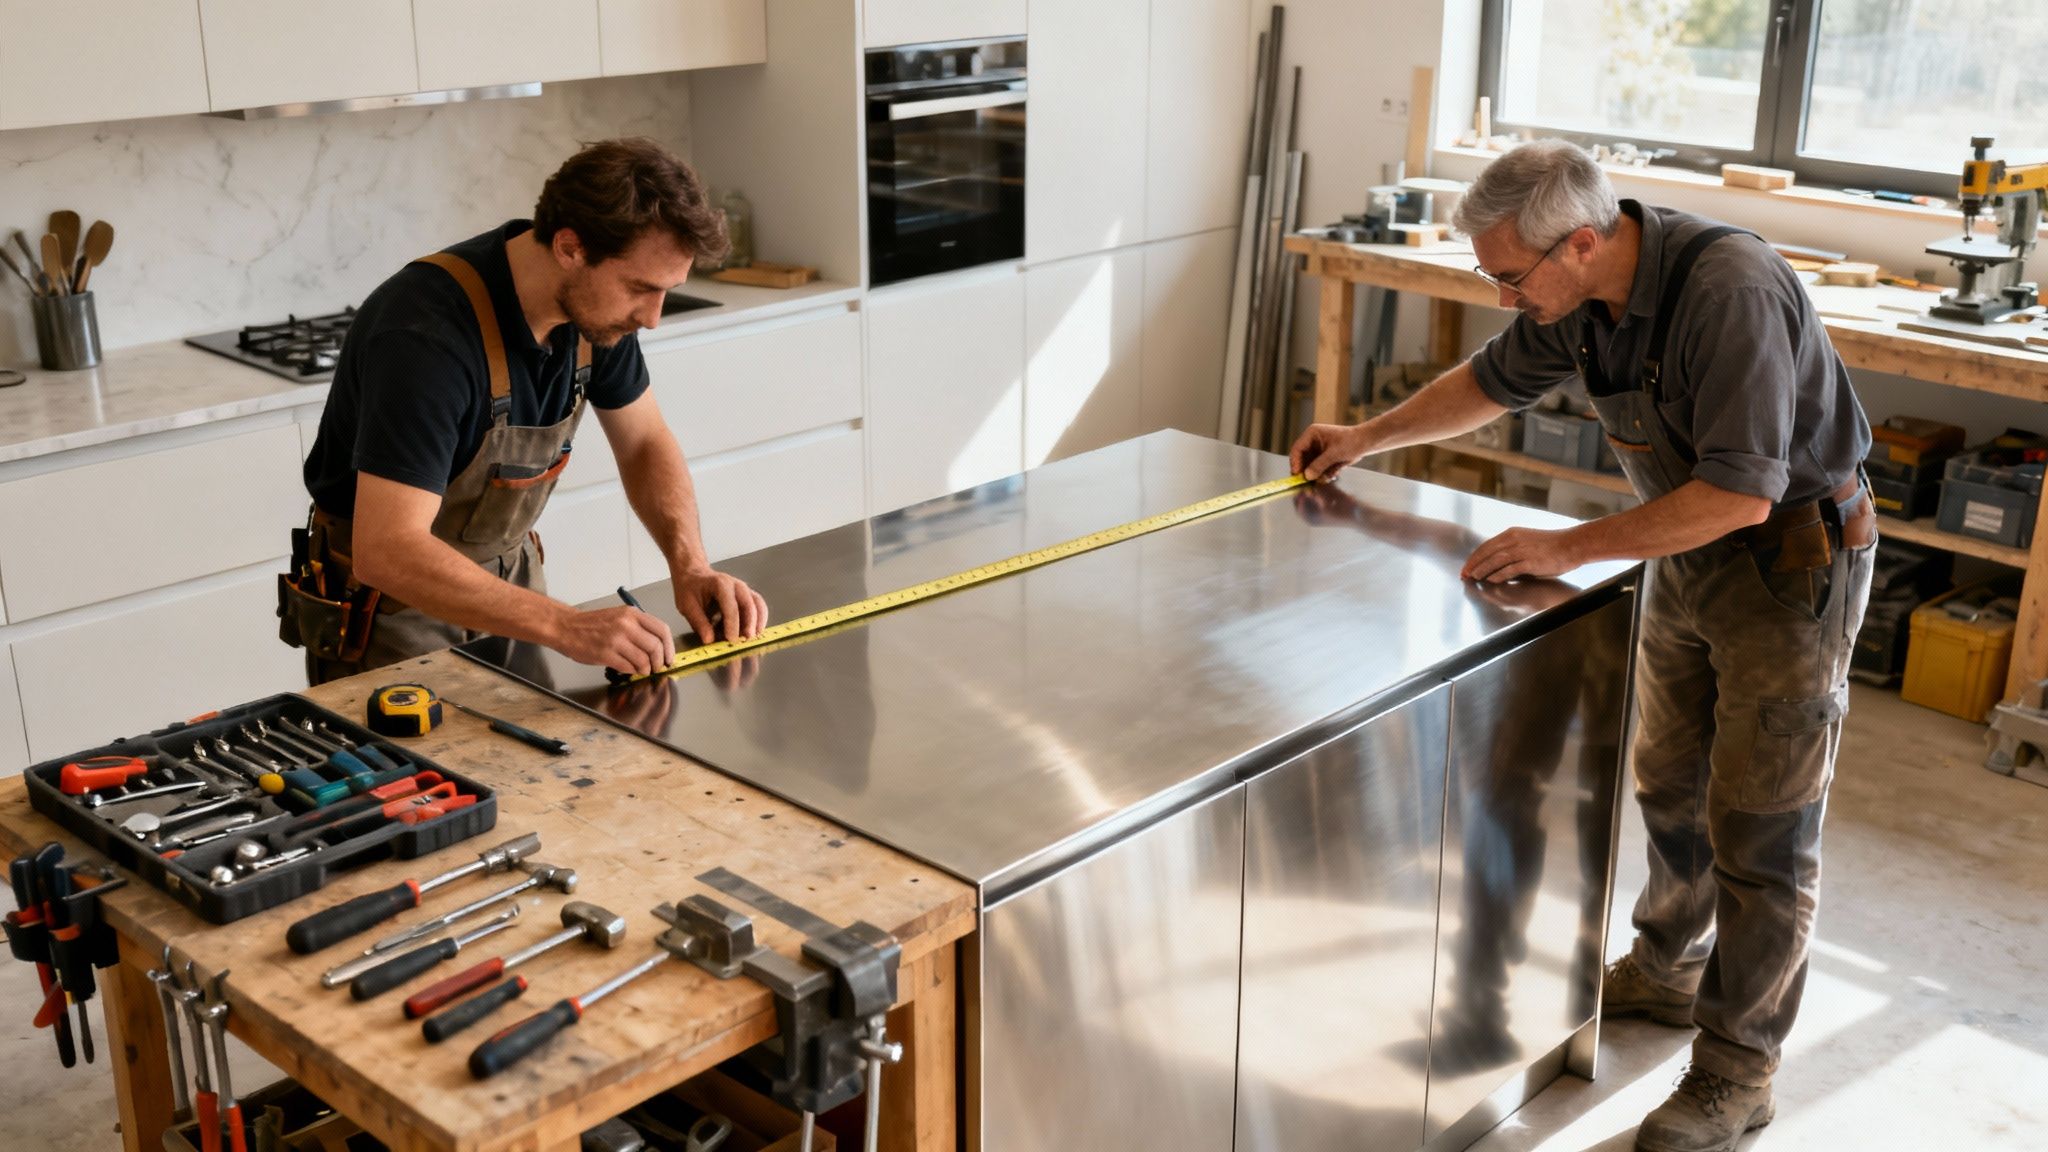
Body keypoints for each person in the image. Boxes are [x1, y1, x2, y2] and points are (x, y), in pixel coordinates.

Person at [1290, 139, 1875, 1152]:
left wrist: (1565, 544)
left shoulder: (1725, 292)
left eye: (1511, 278)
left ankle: (1737, 1072)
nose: (1506, 298)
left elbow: (1740, 492)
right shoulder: (1581, 299)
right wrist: (1363, 438)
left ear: (1582, 242)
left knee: (1762, 830)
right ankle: (1666, 964)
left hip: (1788, 569)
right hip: (1685, 550)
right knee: (1665, 780)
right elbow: (1490, 379)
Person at [282, 137, 767, 685]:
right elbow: (388, 549)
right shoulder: (425, 336)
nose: (652, 318)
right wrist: (567, 625)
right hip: (391, 614)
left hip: (513, 587)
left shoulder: (596, 317)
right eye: (640, 289)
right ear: (569, 248)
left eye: (666, 291)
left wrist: (690, 565)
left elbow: (645, 441)